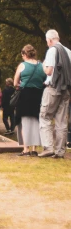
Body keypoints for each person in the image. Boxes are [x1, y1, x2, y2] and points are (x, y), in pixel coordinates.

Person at [39, 29, 71, 158]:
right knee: (62, 121)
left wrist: (43, 65)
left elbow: (49, 71)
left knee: (45, 116)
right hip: (66, 90)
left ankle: (48, 147)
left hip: (53, 88)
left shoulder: (52, 50)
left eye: (47, 41)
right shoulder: (69, 52)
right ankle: (60, 151)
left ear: (50, 40)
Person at [14, 44, 45, 156]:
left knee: (24, 122)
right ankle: (34, 149)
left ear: (25, 54)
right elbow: (44, 81)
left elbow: (15, 82)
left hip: (25, 95)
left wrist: (20, 84)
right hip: (38, 96)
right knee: (36, 121)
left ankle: (26, 149)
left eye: (22, 55)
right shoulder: (41, 65)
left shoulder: (22, 65)